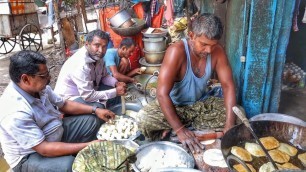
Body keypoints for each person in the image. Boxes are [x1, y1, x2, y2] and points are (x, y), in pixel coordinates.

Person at [0, 50, 116, 171]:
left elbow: (64, 104)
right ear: (26, 79)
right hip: (30, 155)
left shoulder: (39, 88)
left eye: (47, 73)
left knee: (93, 120)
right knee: (68, 165)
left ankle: (81, 157)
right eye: (43, 75)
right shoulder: (15, 111)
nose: (49, 78)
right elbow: (44, 149)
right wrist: (87, 145)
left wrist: (95, 110)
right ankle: (76, 159)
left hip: (55, 131)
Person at [137, 13, 236, 153]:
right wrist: (179, 129)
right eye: (204, 44)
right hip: (174, 106)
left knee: (237, 114)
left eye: (212, 46)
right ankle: (183, 129)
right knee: (143, 119)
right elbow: (161, 94)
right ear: (191, 35)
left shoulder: (217, 52)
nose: (208, 50)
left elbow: (228, 86)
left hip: (199, 105)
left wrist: (229, 126)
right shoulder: (176, 52)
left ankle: (175, 130)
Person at [54, 29, 126, 109]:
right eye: (97, 45)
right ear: (87, 44)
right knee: (99, 106)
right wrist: (115, 92)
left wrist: (116, 83)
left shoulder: (98, 57)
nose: (101, 50)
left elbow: (104, 76)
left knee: (114, 91)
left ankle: (116, 117)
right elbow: (88, 96)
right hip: (69, 99)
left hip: (89, 91)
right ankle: (104, 115)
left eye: (104, 46)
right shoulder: (80, 64)